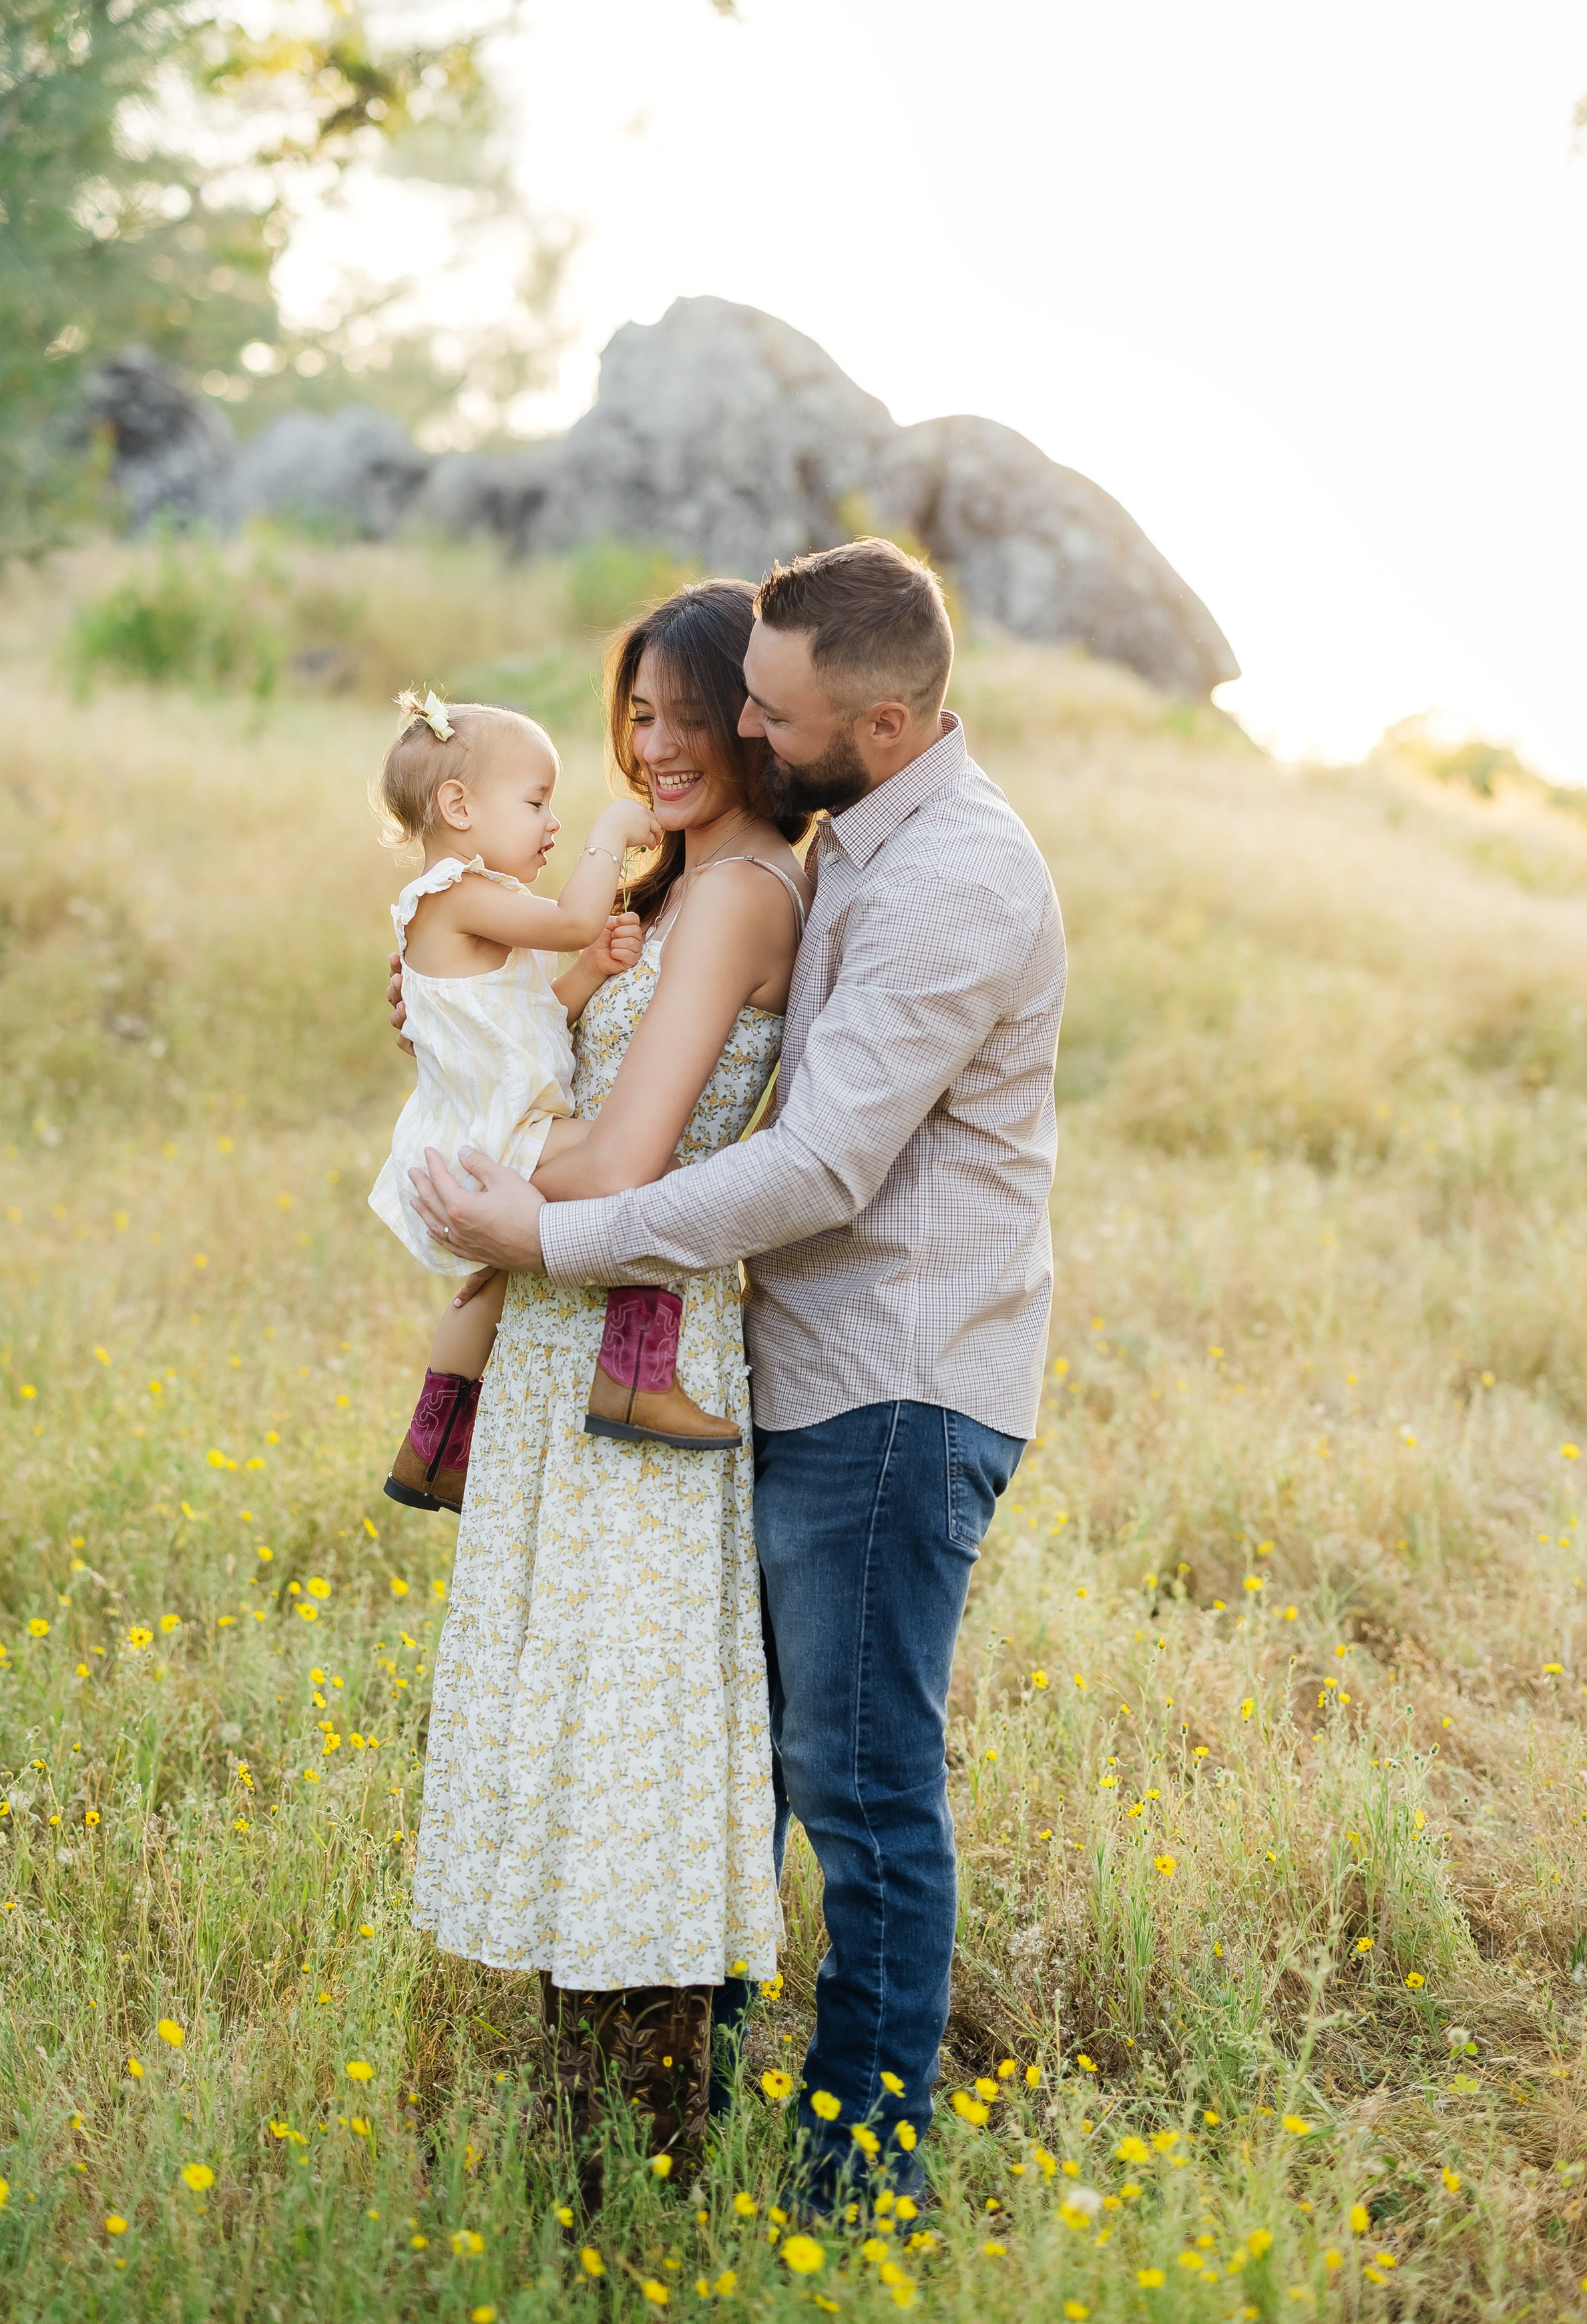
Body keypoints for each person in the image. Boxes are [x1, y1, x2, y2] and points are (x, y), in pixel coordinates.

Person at [411, 536, 1068, 2212]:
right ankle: (660, 2137)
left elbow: (820, 1165)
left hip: (894, 1383)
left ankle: (854, 2178)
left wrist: (556, 1226)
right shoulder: (844, 836)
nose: (744, 734)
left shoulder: (955, 878)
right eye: (729, 703)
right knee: (720, 1760)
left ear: (884, 720)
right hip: (784, 1363)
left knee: (858, 1787)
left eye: (763, 711)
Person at [406, 583, 812, 2182]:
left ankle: (645, 2151)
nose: (652, 746)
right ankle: (588, 2129)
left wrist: (482, 1187)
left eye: (685, 716)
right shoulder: (666, 884)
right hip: (562, 1324)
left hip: (635, 1319)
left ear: (753, 723)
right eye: (634, 715)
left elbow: (630, 1152)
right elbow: (531, 1056)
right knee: (576, 1714)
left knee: (636, 1725)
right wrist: (461, 1018)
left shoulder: (742, 894)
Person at [370, 691, 742, 1518]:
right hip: (499, 1134)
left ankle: (433, 1451)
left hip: (480, 1134)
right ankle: (635, 1376)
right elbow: (575, 917)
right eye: (536, 802)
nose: (553, 823)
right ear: (458, 807)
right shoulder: (456, 892)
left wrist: (594, 971)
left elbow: (536, 1018)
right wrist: (609, 836)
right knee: (643, 1167)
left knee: (489, 1286)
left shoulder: (472, 907)